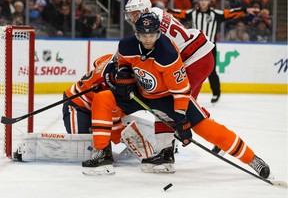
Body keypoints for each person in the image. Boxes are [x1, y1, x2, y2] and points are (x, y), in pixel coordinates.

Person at [83, 12, 270, 179]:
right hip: (138, 92)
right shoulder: (126, 45)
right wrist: (124, 73)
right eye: (144, 35)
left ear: (159, 33)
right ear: (137, 34)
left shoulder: (168, 53)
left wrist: (180, 119)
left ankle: (252, 159)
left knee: (203, 126)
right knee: (103, 98)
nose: (148, 40)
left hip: (168, 97)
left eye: (152, 35)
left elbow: (181, 90)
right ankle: (102, 153)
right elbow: (122, 61)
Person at [124, 0, 215, 168]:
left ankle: (167, 152)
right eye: (131, 14)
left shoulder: (151, 26)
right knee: (186, 106)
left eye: (136, 13)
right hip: (201, 56)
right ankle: (205, 135)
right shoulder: (156, 12)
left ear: (144, 10)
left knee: (168, 103)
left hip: (194, 61)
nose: (133, 18)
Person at [168, 0, 260, 103]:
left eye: (205, 0)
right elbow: (179, 13)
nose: (203, 2)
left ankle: (216, 93)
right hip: (195, 46)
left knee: (212, 71)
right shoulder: (192, 13)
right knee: (190, 69)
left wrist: (245, 10)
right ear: (199, 1)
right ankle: (188, 93)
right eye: (201, 0)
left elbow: (229, 13)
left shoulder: (215, 14)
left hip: (210, 46)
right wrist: (166, 11)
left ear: (208, 2)